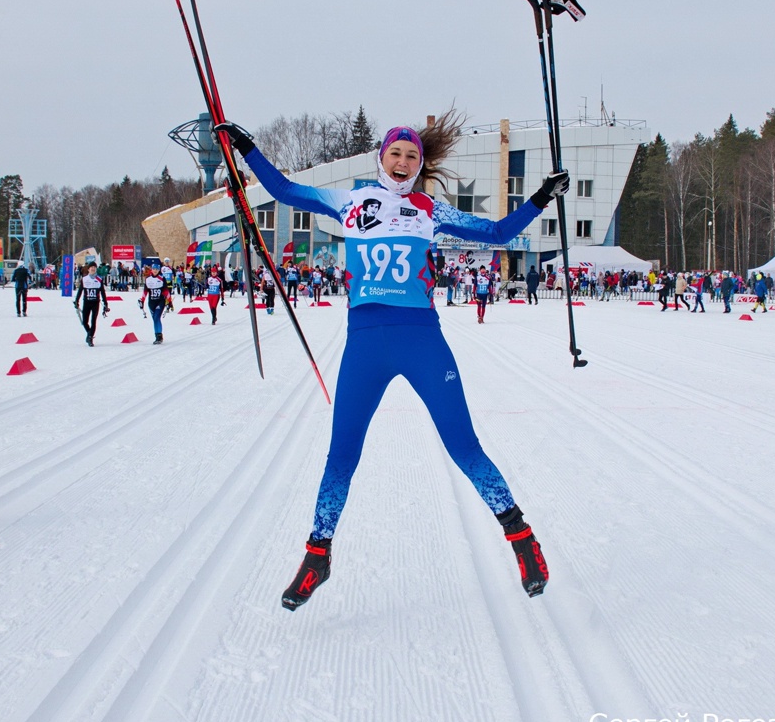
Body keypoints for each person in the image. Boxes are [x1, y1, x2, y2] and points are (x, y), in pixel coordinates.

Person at [215, 115, 563, 610]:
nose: (402, 163)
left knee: (463, 446)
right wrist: (246, 148)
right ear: (382, 157)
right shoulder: (350, 201)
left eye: (412, 157)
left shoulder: (431, 210)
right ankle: (318, 555)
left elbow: (500, 233)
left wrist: (542, 197)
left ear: (420, 166)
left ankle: (522, 540)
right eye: (396, 154)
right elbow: (287, 191)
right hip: (365, 343)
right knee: (342, 455)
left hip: (421, 339)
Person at [74, 262, 109, 346]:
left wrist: (105, 304)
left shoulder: (99, 279)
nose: (93, 269)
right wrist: (76, 301)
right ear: (88, 269)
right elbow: (80, 291)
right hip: (86, 302)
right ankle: (89, 334)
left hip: (95, 303)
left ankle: (90, 338)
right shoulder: (84, 279)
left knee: (93, 321)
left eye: (94, 267)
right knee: (85, 321)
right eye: (91, 267)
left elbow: (103, 293)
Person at [141, 263, 167, 343]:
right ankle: (158, 335)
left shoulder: (162, 278)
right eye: (154, 269)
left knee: (156, 317)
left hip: (160, 301)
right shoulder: (148, 279)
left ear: (159, 270)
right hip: (151, 302)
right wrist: (142, 300)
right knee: (155, 319)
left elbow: (166, 291)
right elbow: (145, 291)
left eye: (157, 269)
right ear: (151, 269)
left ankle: (158, 336)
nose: (155, 270)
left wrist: (169, 302)